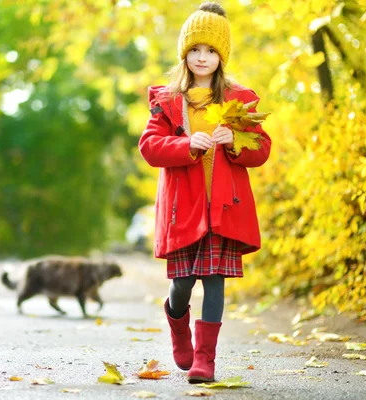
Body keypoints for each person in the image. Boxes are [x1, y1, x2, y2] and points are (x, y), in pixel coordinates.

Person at [138, 2, 271, 384]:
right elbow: (149, 147)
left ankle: (205, 360)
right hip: (184, 210)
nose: (202, 57)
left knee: (214, 280)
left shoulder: (238, 102)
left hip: (223, 209)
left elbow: (260, 150)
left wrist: (235, 143)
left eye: (211, 50)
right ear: (185, 53)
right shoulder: (168, 101)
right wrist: (185, 146)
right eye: (195, 49)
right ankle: (179, 326)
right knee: (182, 284)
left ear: (221, 56)